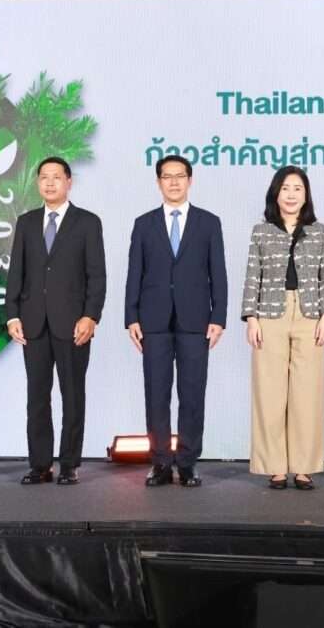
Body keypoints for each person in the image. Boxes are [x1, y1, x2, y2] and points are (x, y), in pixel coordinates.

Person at [125, 154, 227, 487]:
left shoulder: (208, 222)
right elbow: (134, 272)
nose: (173, 182)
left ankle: (187, 462)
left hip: (196, 320)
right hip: (152, 320)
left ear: (190, 180)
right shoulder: (144, 223)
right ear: (158, 182)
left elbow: (218, 273)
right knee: (156, 394)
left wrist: (219, 316)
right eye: (166, 176)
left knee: (192, 393)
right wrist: (131, 316)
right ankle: (160, 462)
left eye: (179, 176)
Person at [5, 156, 106, 486]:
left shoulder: (87, 222)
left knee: (72, 396)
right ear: (38, 183)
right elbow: (16, 273)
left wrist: (90, 316)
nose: (49, 183)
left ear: (69, 182)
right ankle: (40, 465)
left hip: (73, 324)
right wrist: (12, 314)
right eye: (44, 177)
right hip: (33, 323)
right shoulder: (26, 222)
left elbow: (96, 275)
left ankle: (70, 464)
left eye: (56, 177)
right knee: (37, 397)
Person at [242, 166, 324, 490]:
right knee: (269, 392)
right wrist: (251, 318)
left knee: (307, 394)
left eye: (297, 188)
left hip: (310, 316)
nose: (291, 194)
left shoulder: (319, 231)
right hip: (270, 314)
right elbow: (252, 274)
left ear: (306, 195)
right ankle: (275, 467)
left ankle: (304, 467)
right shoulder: (261, 231)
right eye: (285, 188)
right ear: (276, 194)